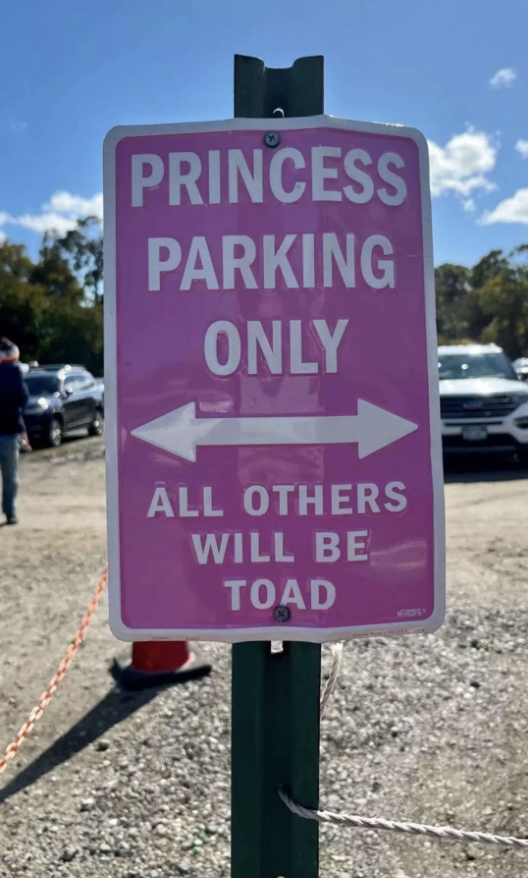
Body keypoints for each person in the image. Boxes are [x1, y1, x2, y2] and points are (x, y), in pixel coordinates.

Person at [0, 338, 29, 525]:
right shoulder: (15, 373)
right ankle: (10, 512)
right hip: (9, 431)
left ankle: (10, 512)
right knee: (10, 476)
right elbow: (23, 398)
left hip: (10, 430)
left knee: (11, 477)